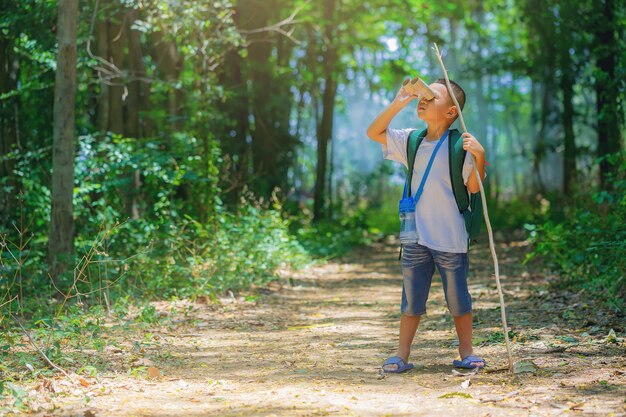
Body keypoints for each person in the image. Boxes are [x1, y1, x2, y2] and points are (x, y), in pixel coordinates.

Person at [366, 78, 487, 372]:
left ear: (450, 112)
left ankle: (466, 352)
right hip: (415, 235)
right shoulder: (412, 140)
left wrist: (480, 156)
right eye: (423, 95)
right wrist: (399, 102)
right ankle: (402, 354)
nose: (423, 100)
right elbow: (374, 132)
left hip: (451, 236)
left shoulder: (461, 145)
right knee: (411, 298)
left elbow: (473, 188)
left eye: (431, 97)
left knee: (458, 297)